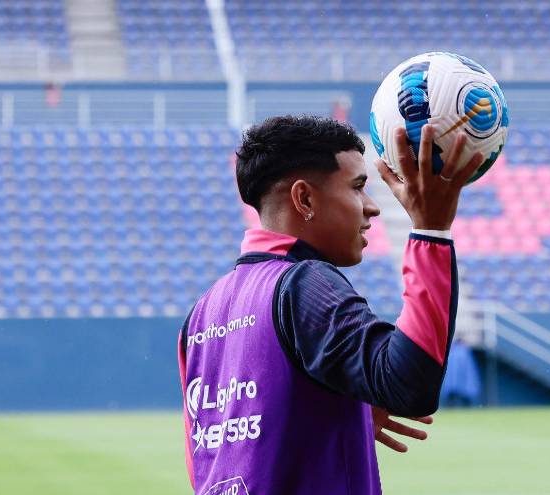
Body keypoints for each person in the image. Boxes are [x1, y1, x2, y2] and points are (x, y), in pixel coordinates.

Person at [177, 115, 483, 495]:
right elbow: (410, 384)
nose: (371, 207)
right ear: (304, 198)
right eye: (357, 188)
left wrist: (329, 413)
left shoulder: (201, 314)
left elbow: (209, 460)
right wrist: (431, 231)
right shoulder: (302, 283)